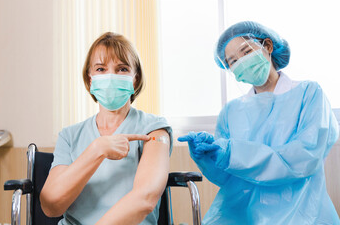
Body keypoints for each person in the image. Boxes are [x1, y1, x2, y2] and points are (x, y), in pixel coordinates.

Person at [178, 21, 340, 224]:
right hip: (240, 213)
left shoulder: (308, 94)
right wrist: (208, 158)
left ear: (268, 47)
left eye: (246, 52)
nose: (241, 62)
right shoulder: (231, 111)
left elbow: (304, 158)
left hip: (302, 211)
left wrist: (233, 152)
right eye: (232, 62)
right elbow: (227, 178)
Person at [40, 32, 172, 225]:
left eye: (122, 69)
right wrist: (97, 150)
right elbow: (51, 206)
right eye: (101, 69)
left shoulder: (154, 130)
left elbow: (144, 199)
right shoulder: (69, 136)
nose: (111, 77)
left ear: (135, 79)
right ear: (90, 78)